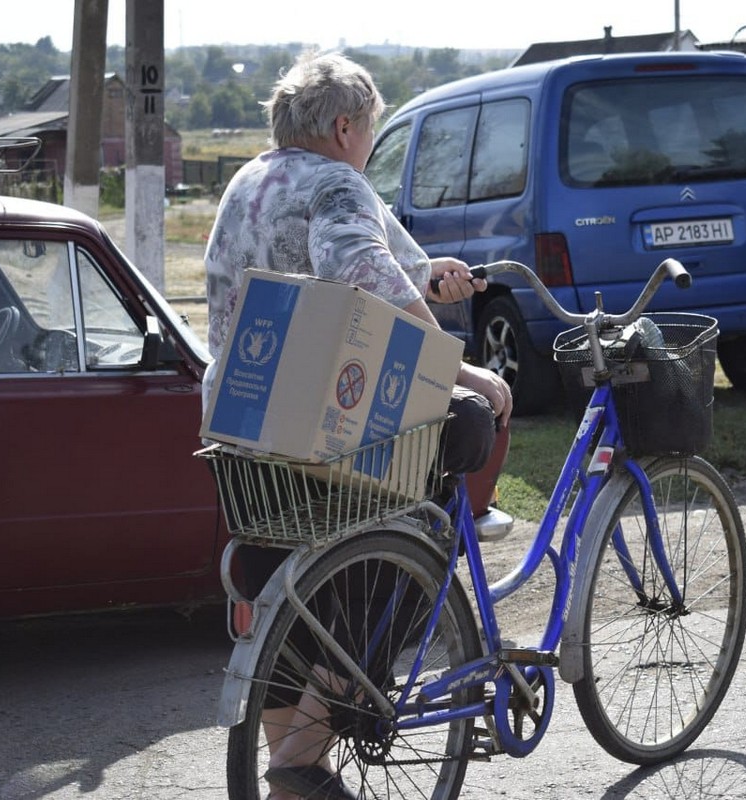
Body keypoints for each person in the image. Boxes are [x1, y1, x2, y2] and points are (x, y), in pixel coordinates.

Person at [201, 52, 512, 800]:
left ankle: (290, 770)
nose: (369, 143)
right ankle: (306, 753)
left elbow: (380, 255)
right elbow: (355, 264)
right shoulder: (338, 180)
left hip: (245, 418)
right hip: (326, 419)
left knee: (288, 578)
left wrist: (430, 272)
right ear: (344, 127)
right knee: (418, 545)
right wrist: (455, 370)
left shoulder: (250, 181)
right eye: (370, 128)